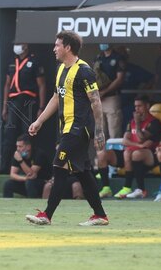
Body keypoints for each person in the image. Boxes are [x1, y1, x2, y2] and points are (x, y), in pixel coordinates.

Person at [25, 30, 108, 226]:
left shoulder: (84, 70)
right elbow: (56, 97)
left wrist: (99, 130)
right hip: (67, 129)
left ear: (67, 47)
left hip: (78, 129)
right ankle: (100, 215)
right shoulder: (61, 69)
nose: (54, 48)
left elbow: (95, 101)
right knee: (83, 173)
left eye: (57, 45)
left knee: (58, 166)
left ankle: (46, 215)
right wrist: (40, 121)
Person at [0, 43, 46, 174]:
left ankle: (29, 167)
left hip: (28, 101)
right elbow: (7, 84)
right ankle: (4, 167)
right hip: (13, 101)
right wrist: (5, 106)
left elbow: (42, 85)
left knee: (28, 134)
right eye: (15, 44)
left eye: (19, 44)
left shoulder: (34, 61)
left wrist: (41, 107)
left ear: (26, 45)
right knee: (9, 134)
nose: (17, 46)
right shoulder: (12, 61)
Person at [97, 95, 161, 199]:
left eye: (140, 106)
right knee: (102, 155)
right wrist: (138, 145)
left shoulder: (154, 122)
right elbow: (125, 140)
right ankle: (106, 188)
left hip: (146, 157)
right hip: (129, 154)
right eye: (135, 106)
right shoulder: (131, 121)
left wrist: (137, 124)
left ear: (147, 106)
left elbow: (141, 138)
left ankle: (128, 187)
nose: (137, 109)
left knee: (133, 153)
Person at [2, 134, 50, 198]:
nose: (18, 149)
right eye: (17, 146)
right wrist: (25, 178)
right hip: (28, 182)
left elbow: (31, 174)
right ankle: (7, 204)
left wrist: (21, 161)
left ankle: (33, 204)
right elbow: (12, 175)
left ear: (28, 147)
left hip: (43, 183)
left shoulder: (39, 154)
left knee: (30, 183)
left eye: (20, 146)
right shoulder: (18, 155)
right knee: (8, 184)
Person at [94, 44, 125, 139]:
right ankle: (101, 154)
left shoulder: (118, 58)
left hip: (112, 98)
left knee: (114, 131)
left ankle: (115, 153)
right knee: (100, 132)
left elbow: (119, 79)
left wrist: (105, 92)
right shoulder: (98, 58)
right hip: (98, 98)